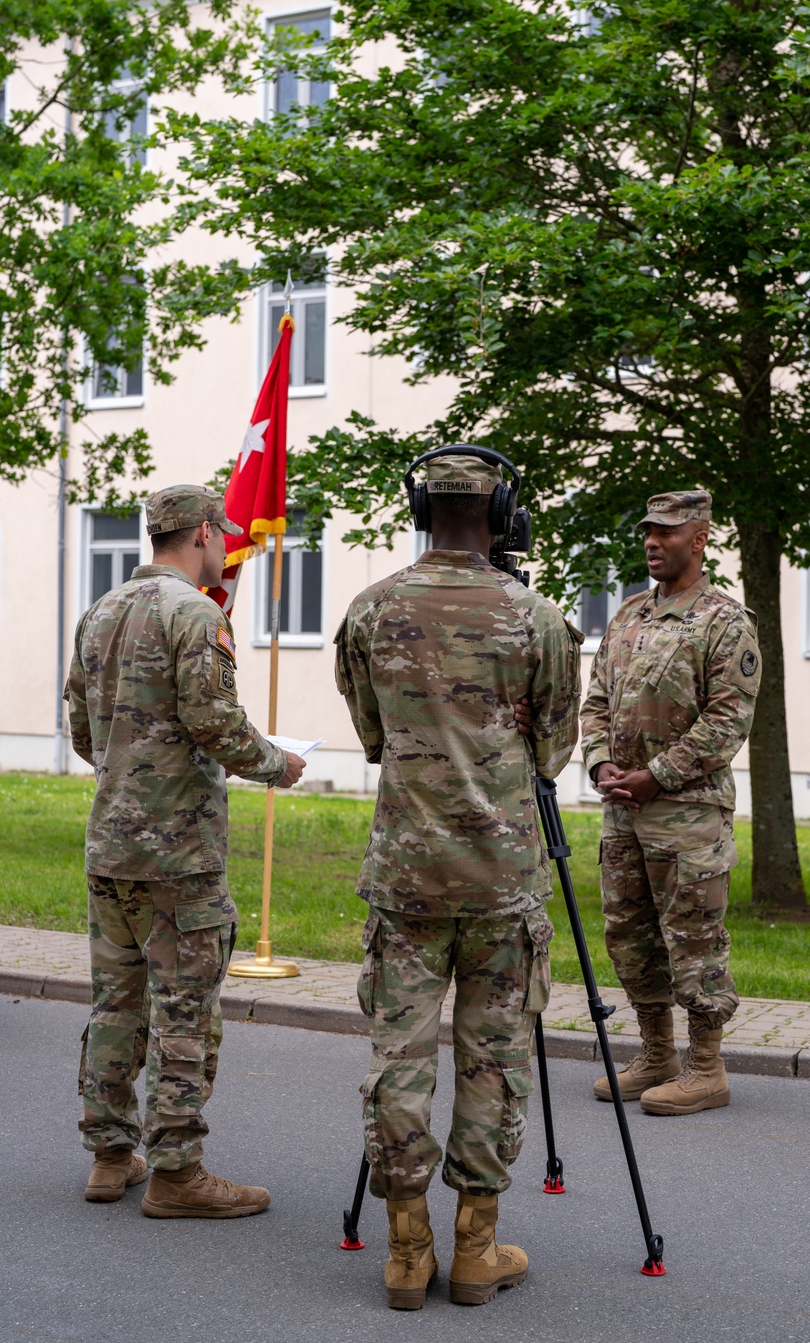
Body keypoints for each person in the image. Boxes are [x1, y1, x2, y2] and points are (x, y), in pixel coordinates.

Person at [335, 449, 583, 1310]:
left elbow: (373, 732)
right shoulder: (537, 618)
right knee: (493, 1060)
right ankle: (477, 1248)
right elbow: (553, 749)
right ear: (502, 508)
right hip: (502, 877)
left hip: (406, 874)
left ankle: (408, 1251)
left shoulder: (370, 610)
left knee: (397, 1057)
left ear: (419, 506)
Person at [65, 484, 305, 1216]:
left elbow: (80, 728)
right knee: (185, 1012)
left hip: (111, 847)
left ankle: (110, 1156)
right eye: (223, 537)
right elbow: (217, 726)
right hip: (180, 856)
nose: (227, 547)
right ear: (202, 533)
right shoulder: (197, 613)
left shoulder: (99, 611)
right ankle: (176, 1173)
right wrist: (279, 763)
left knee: (116, 1004)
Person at [581, 489, 761, 1116]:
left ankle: (706, 1068)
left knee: (693, 937)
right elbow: (596, 699)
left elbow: (728, 720)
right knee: (629, 934)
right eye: (648, 533)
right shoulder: (629, 615)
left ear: (700, 538)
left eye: (667, 532)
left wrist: (658, 774)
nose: (653, 543)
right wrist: (601, 761)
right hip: (623, 809)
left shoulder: (724, 621)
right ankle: (656, 1053)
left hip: (687, 813)